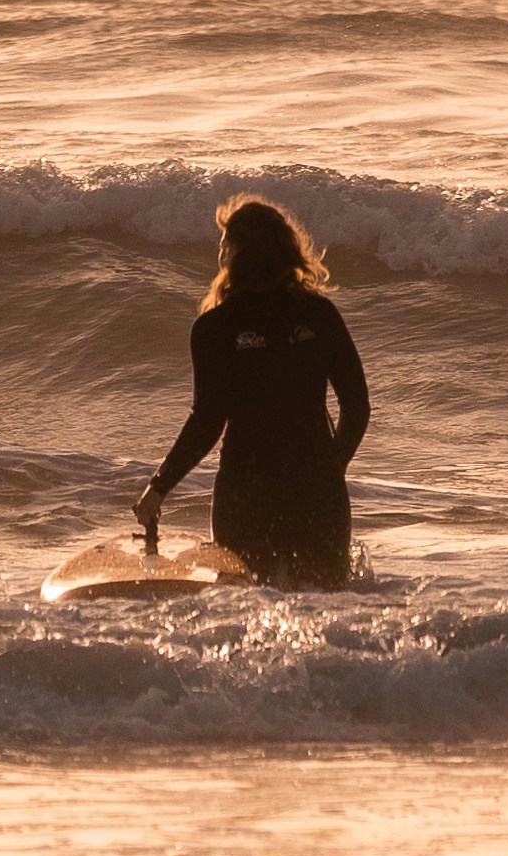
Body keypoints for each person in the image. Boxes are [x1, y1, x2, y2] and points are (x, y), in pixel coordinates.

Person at [137, 194, 370, 589]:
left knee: (248, 609)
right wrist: (329, 469)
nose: (220, 250)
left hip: (247, 491)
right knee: (331, 604)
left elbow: (208, 420)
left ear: (236, 253)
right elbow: (357, 407)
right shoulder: (319, 314)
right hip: (316, 488)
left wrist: (159, 486)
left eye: (225, 241)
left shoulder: (215, 328)